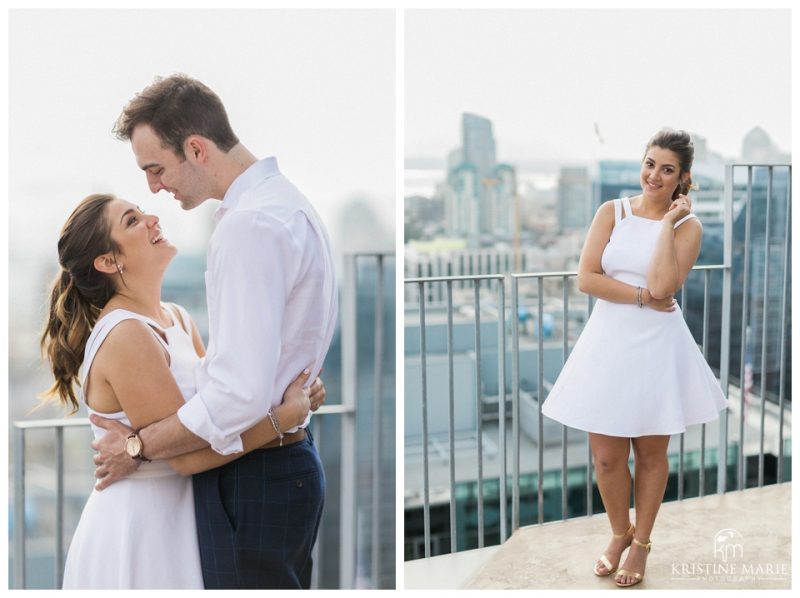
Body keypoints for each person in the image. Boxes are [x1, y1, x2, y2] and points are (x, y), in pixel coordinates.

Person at [90, 74, 338, 589]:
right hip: (283, 461)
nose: (154, 187)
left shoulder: (248, 226)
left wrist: (137, 446)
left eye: (156, 169)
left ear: (196, 149)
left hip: (260, 476)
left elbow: (236, 393)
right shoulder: (287, 204)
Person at [41, 194, 326, 588]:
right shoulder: (126, 334)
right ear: (109, 262)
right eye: (132, 220)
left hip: (187, 513)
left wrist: (289, 389)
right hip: (144, 528)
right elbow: (187, 458)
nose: (152, 219)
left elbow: (220, 412)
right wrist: (284, 418)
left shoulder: (175, 317)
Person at [541, 129, 727, 588]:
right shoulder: (612, 212)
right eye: (650, 163)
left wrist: (666, 225)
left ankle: (640, 544)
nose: (654, 175)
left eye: (667, 170)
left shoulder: (689, 228)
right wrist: (641, 295)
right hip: (607, 343)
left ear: (683, 178)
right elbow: (587, 279)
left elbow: (666, 286)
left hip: (657, 348)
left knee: (649, 453)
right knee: (606, 459)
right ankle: (618, 533)